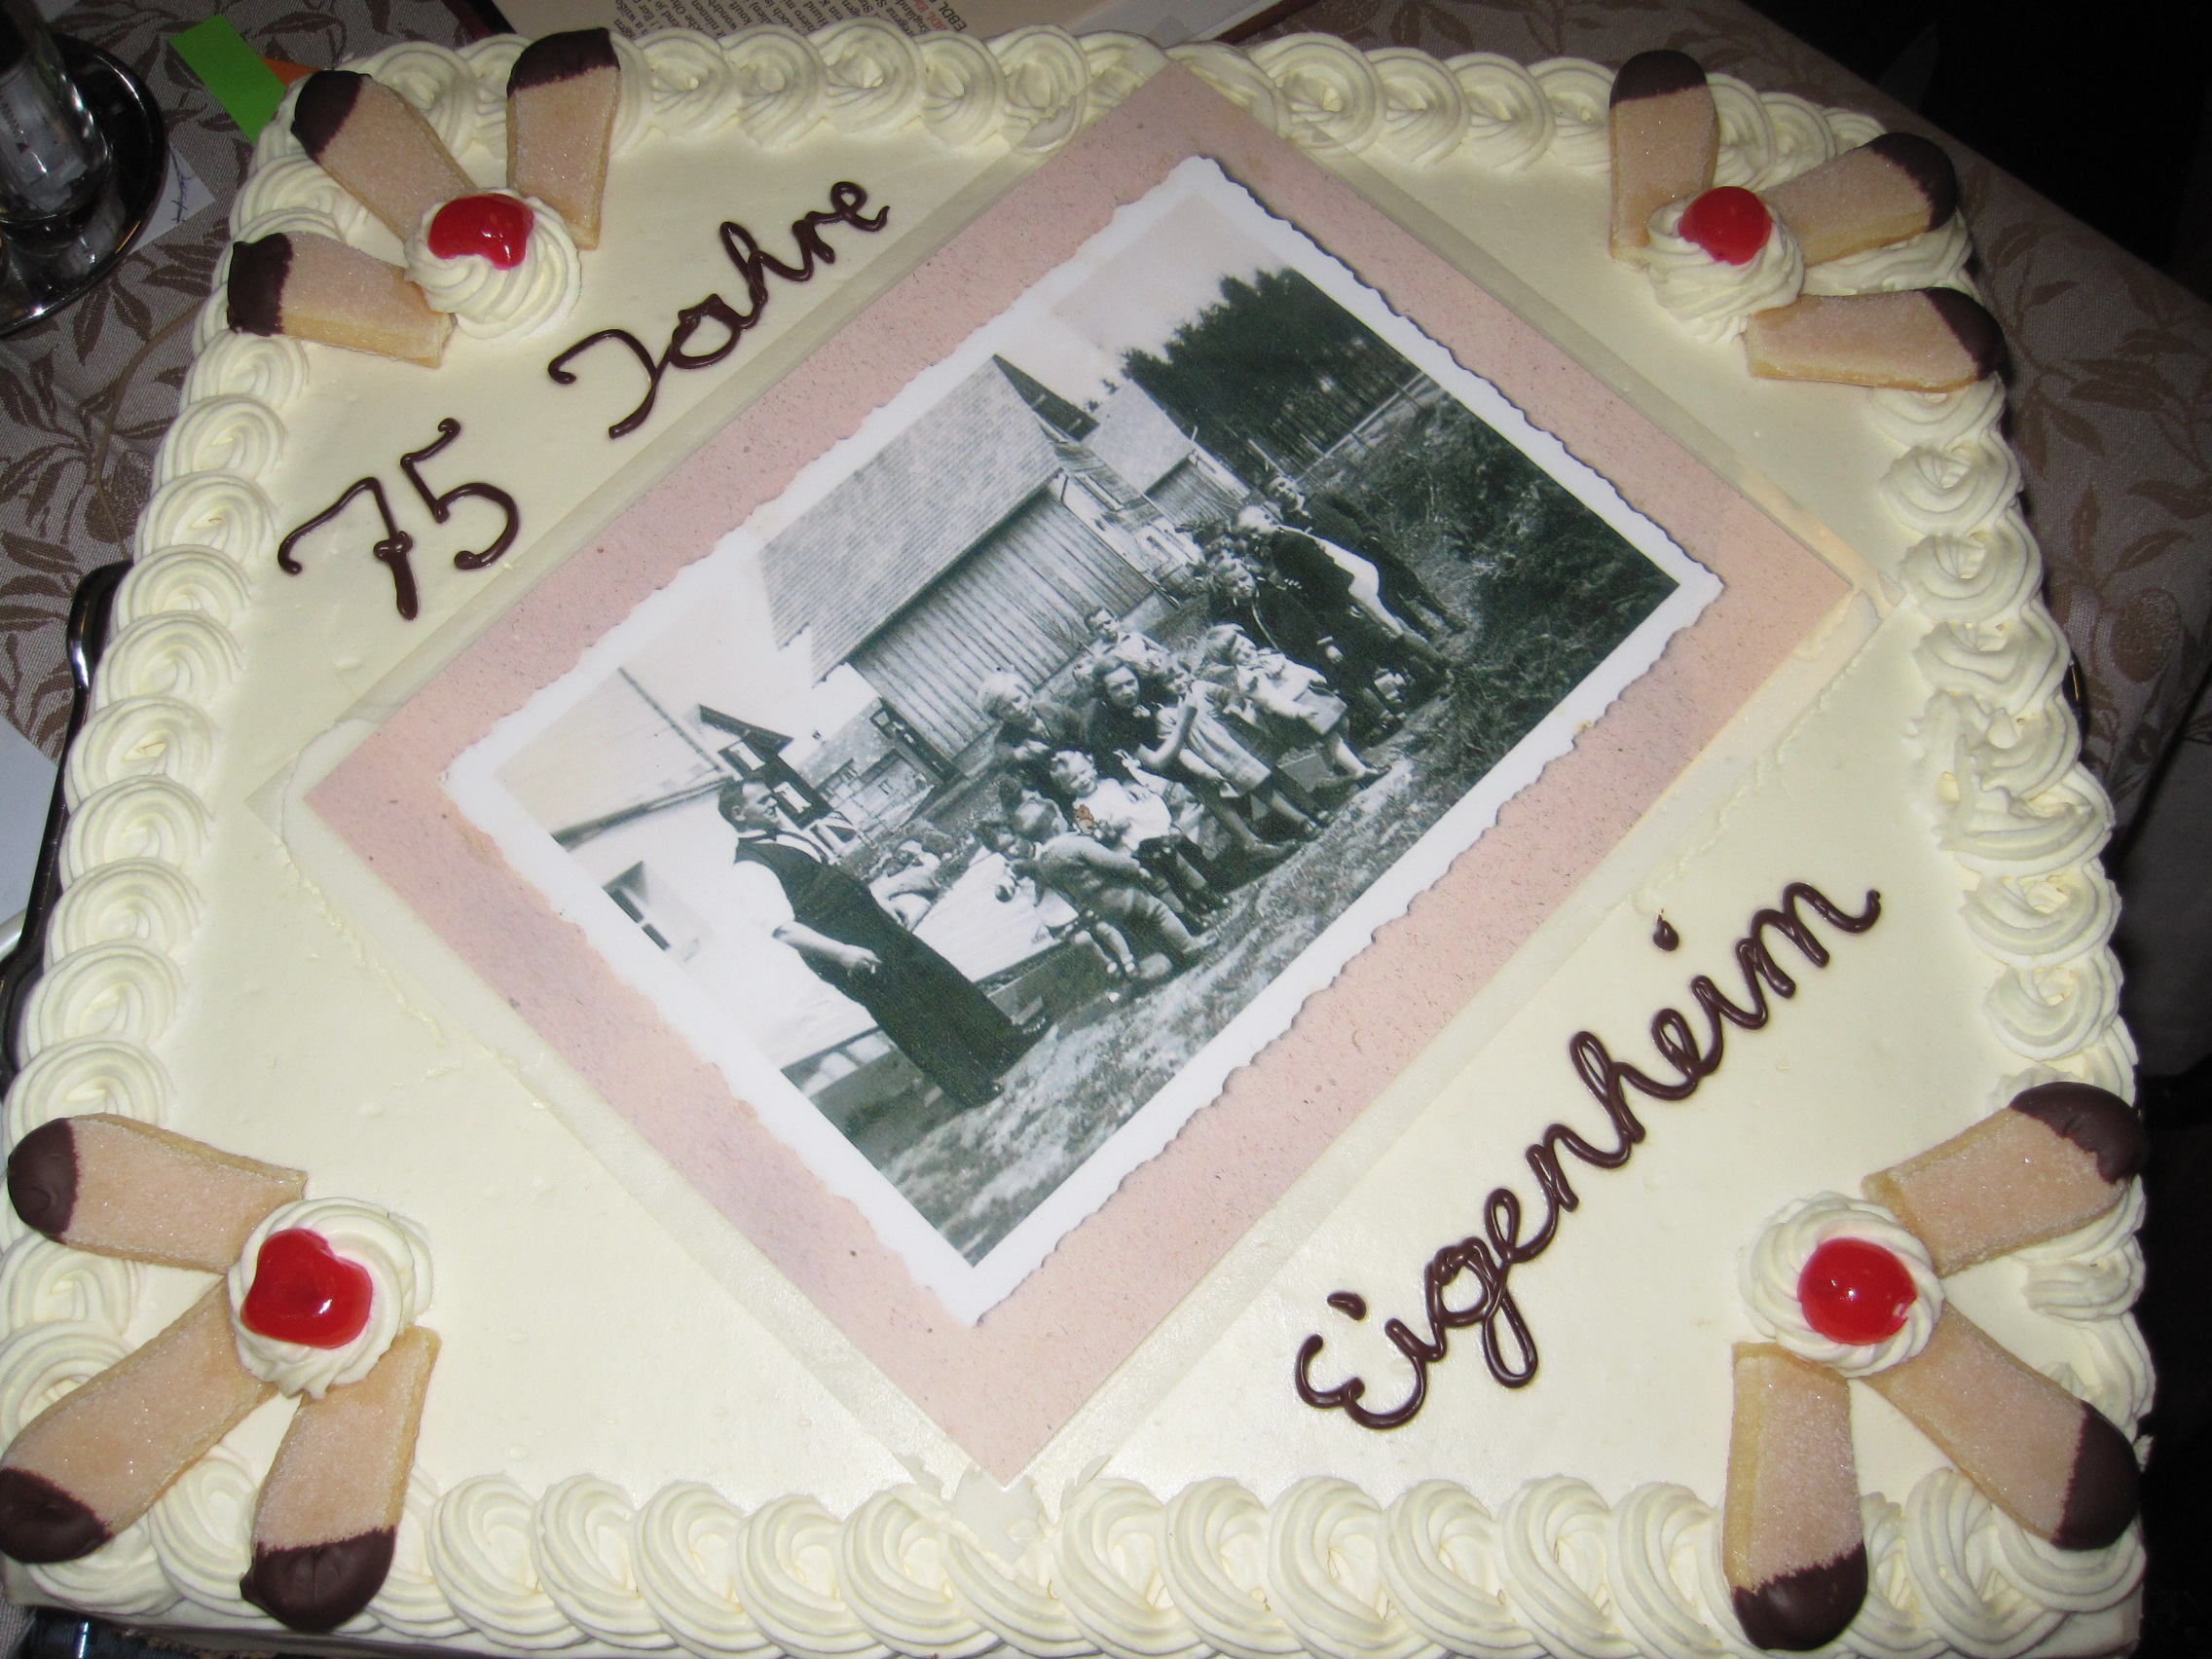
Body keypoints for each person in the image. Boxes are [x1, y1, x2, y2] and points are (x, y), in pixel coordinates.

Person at [719, 780, 1034, 1110]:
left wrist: (880, 901)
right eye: (763, 800)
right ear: (738, 813)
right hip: (845, 949)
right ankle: (969, 1085)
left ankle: (1003, 1044)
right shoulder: (747, 868)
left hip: (874, 925)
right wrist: (843, 954)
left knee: (938, 979)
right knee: (907, 1014)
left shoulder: (787, 836)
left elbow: (834, 878)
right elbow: (784, 930)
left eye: (772, 797)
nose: (773, 804)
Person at [1086, 660, 1305, 856]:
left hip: (1185, 735)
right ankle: (1251, 843)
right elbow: (1156, 761)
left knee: (1236, 767)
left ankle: (1296, 810)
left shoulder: (1148, 685)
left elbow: (1182, 687)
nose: (1127, 691)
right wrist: (1183, 721)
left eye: (1130, 682)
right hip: (1158, 758)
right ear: (1105, 692)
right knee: (1204, 784)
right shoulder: (1107, 722)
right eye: (1116, 688)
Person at [1011, 798, 1211, 979]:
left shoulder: (1043, 865)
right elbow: (1112, 862)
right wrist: (1135, 867)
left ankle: (1170, 959)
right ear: (1056, 825)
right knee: (1159, 913)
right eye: (1061, 817)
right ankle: (1190, 947)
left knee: (1141, 930)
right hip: (1121, 893)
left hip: (1099, 907)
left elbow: (1063, 891)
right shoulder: (1075, 844)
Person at [1266, 476, 1465, 638]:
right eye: (1275, 491)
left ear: (1291, 482)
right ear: (1273, 499)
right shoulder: (1291, 526)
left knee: (1406, 580)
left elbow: (1356, 512)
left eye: (1282, 484)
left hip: (1367, 547)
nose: (1282, 491)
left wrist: (1371, 533)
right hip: (1350, 565)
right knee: (1387, 597)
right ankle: (1424, 630)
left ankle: (1444, 613)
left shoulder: (1323, 498)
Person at [1048, 749, 1225, 917]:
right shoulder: (1081, 810)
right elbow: (1094, 837)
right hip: (1131, 849)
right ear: (1066, 788)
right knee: (1159, 883)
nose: (1083, 780)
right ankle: (1187, 915)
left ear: (1092, 765)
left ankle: (1210, 896)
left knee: (1181, 865)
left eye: (1084, 772)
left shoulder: (1111, 784)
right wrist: (1111, 828)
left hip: (1150, 836)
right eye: (1074, 779)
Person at [1198, 623, 1380, 785]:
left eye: (1244, 643)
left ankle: (1336, 762)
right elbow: (1271, 700)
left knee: (1341, 723)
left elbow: (1292, 667)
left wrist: (1311, 674)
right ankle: (1360, 772)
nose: (1246, 650)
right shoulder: (1250, 678)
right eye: (1238, 652)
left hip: (1308, 695)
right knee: (1330, 737)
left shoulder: (1266, 655)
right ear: (1230, 660)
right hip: (1292, 709)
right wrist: (1297, 711)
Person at [980, 672, 1087, 807]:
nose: (1017, 708)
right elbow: (1005, 765)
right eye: (1006, 708)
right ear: (997, 715)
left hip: (1086, 775)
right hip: (1059, 796)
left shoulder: (1053, 710)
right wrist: (1016, 756)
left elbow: (1085, 735)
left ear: (1027, 693)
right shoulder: (1004, 741)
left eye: (1018, 699)